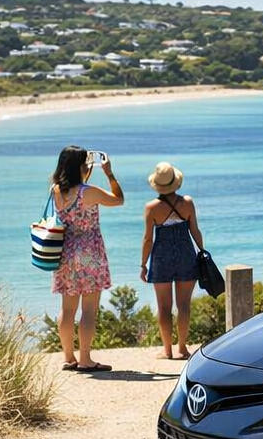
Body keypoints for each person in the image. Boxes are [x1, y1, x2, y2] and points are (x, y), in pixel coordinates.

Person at [50, 145, 123, 371]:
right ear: (81, 166)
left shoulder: (55, 190)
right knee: (89, 309)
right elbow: (118, 199)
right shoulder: (89, 192)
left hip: (65, 252)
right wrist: (109, 173)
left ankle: (69, 358)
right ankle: (85, 360)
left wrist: (84, 174)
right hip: (89, 252)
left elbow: (74, 191)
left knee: (67, 309)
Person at [140, 161, 205, 360]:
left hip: (161, 257)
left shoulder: (151, 208)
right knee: (184, 304)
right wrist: (202, 252)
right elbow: (194, 230)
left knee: (163, 306)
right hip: (186, 254)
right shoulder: (187, 203)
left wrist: (143, 264)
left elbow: (148, 239)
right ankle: (183, 348)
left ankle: (167, 349)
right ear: (175, 183)